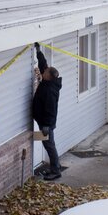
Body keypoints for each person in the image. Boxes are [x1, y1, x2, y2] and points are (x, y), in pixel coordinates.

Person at [32, 42, 63, 181]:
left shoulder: (50, 91)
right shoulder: (49, 81)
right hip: (44, 122)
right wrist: (38, 51)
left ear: (48, 76)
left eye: (45, 72)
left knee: (49, 146)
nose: (42, 71)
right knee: (49, 144)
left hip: (46, 123)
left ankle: (55, 171)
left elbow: (50, 111)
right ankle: (55, 166)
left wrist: (45, 126)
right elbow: (43, 64)